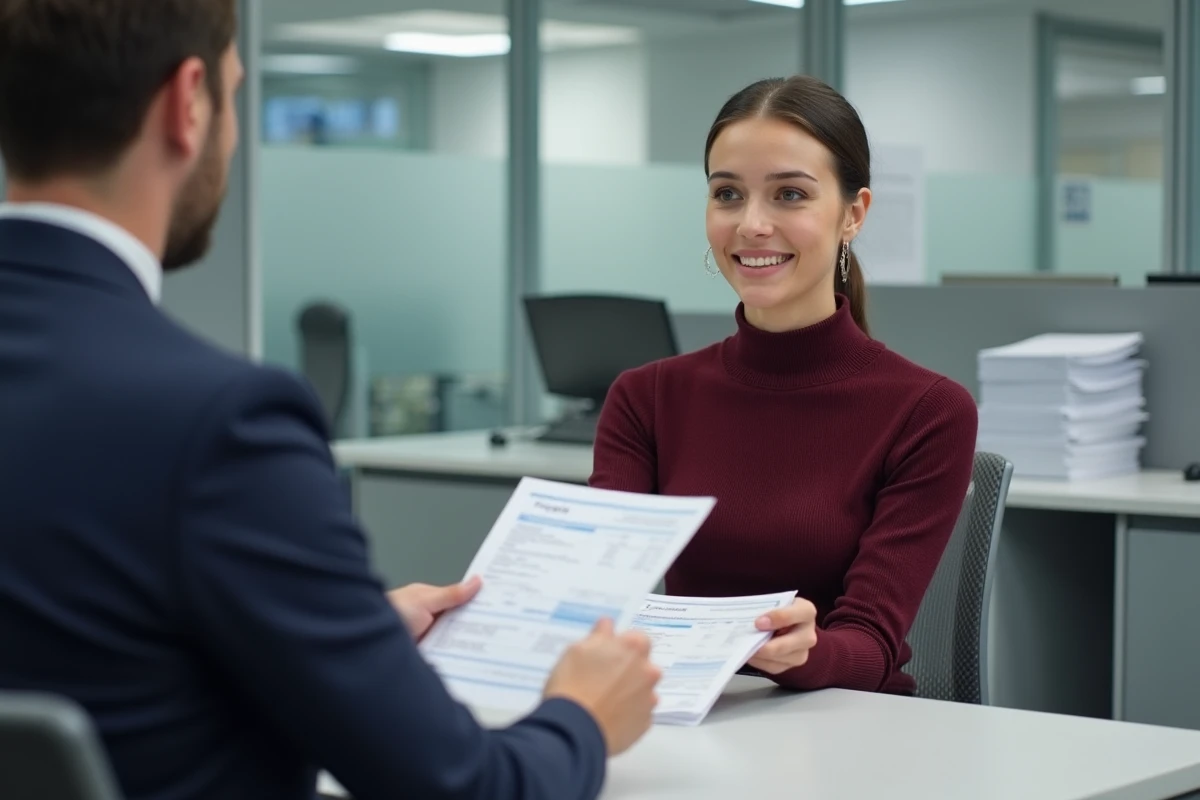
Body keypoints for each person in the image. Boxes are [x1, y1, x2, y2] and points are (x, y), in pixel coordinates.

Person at [0, 2, 660, 800]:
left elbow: (94, 646)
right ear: (189, 103)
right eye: (239, 97)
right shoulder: (219, 420)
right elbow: (463, 787)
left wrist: (348, 633)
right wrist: (581, 715)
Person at [589, 75, 978, 695]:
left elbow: (871, 641)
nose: (752, 225)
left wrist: (808, 651)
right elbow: (592, 592)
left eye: (789, 195)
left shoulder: (926, 410)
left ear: (853, 214)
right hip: (688, 723)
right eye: (728, 194)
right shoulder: (646, 398)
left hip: (849, 737)